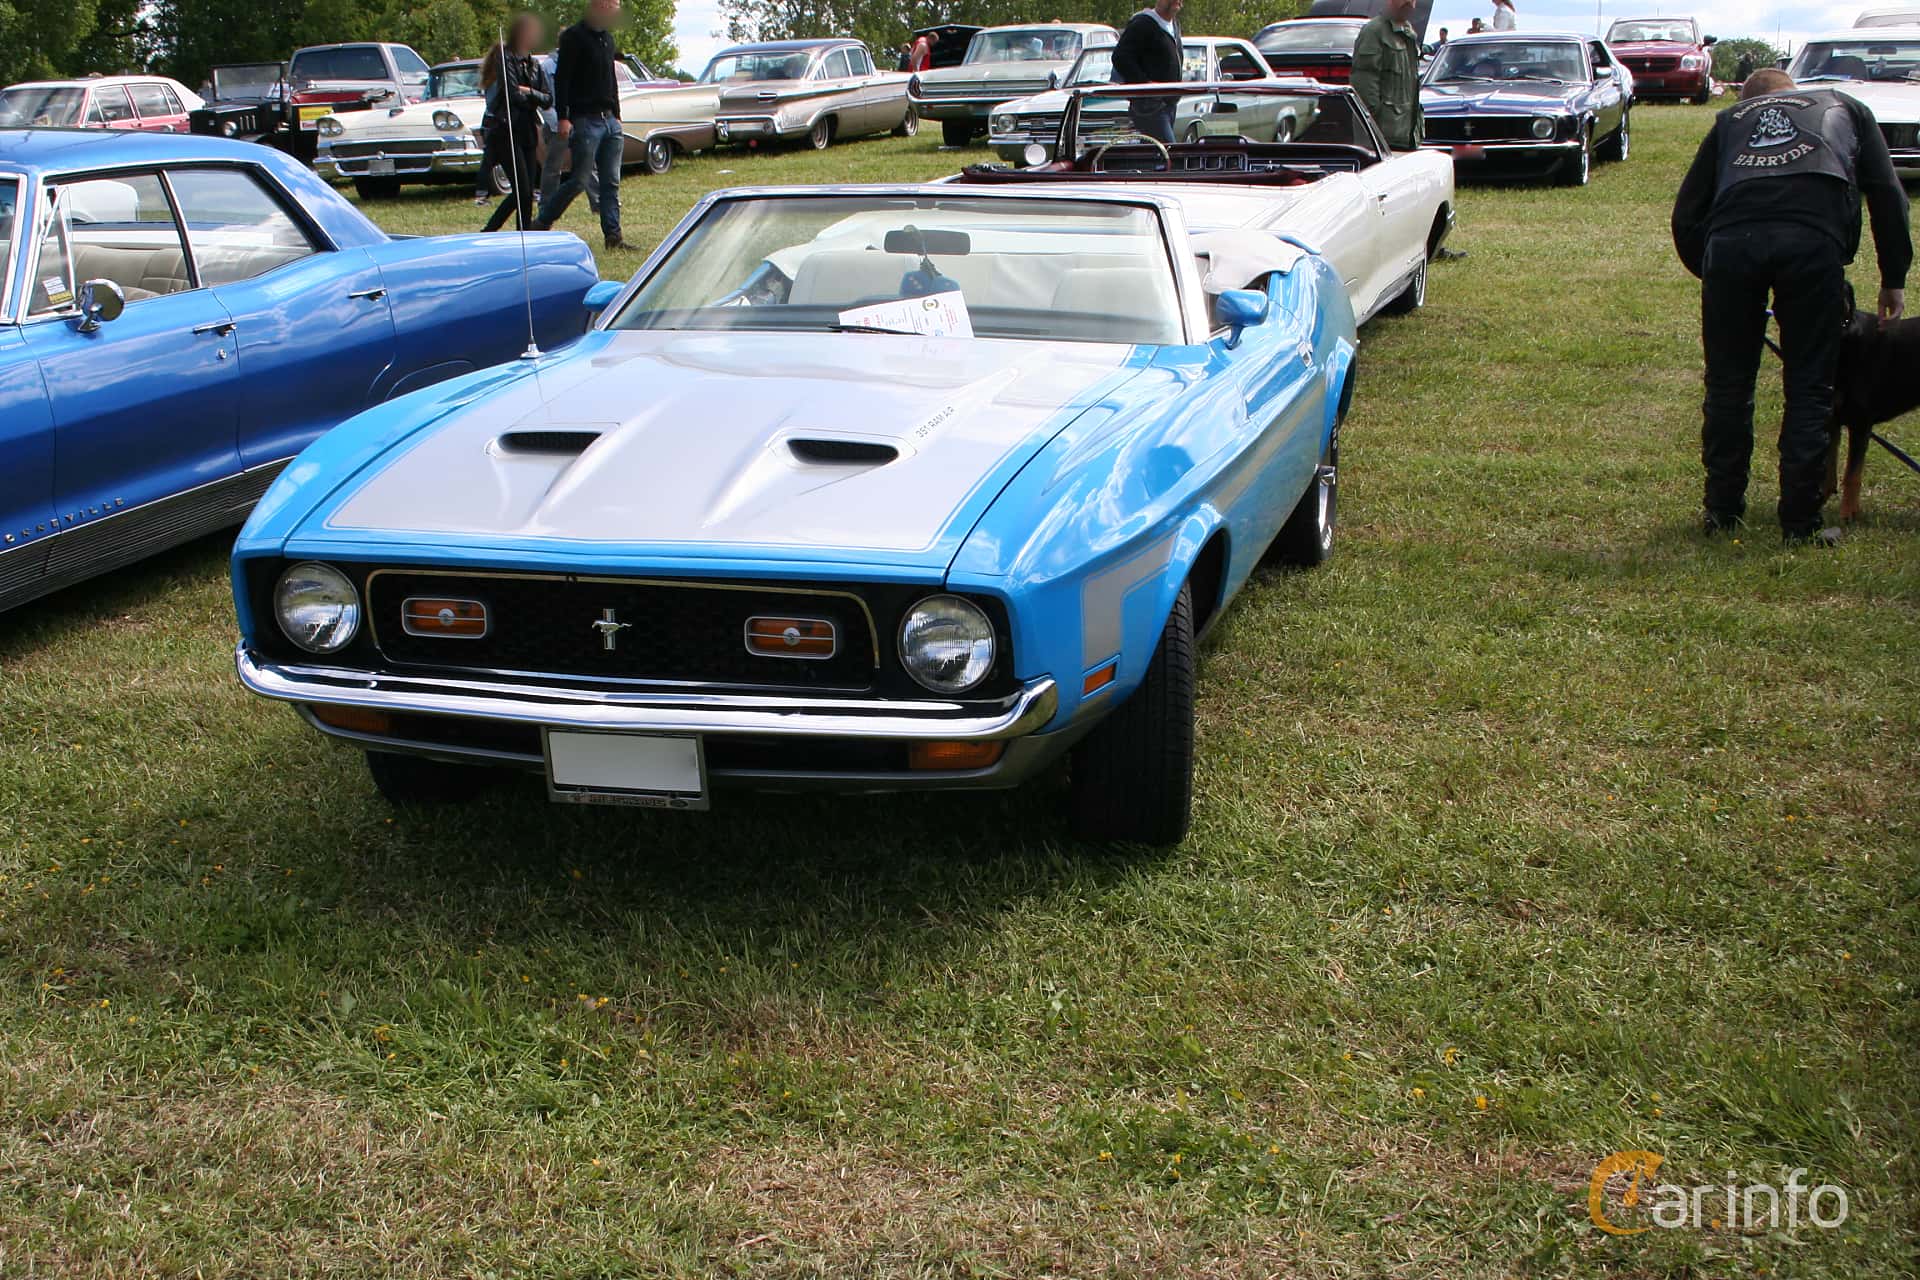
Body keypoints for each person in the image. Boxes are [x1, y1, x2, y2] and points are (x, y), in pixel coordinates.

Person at [1671, 68, 1911, 542]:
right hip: (1812, 244)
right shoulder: (1845, 106)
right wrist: (1893, 278)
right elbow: (1887, 193)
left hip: (1732, 245)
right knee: (1810, 385)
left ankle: (1722, 512)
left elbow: (1686, 214)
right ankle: (1799, 523)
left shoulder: (1729, 120)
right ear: (1793, 93)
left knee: (1727, 385)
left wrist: (1714, 274)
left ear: (1750, 98)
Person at [532, 0, 626, 250]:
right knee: (579, 180)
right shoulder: (574, 37)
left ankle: (613, 237)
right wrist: (564, 116)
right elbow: (563, 80)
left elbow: (610, 80)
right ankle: (541, 223)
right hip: (586, 120)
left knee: (610, 183)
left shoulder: (607, 39)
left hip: (609, 122)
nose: (617, 8)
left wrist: (616, 114)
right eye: (615, 3)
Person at [480, 14, 551, 233]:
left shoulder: (535, 65)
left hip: (527, 130)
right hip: (506, 130)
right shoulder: (505, 57)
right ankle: (492, 231)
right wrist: (532, 97)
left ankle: (521, 232)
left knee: (527, 191)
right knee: (522, 188)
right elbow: (512, 94)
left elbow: (548, 99)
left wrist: (529, 92)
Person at [1351, 0, 1422, 151]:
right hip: (1382, 140)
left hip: (1406, 138)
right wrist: (1374, 129)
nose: (1409, 2)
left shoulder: (1408, 32)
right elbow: (1364, 87)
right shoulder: (1374, 32)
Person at [1112, 0, 1183, 144]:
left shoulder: (1174, 25)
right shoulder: (1143, 23)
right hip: (1150, 106)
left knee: (1153, 155)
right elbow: (1120, 57)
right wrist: (1145, 84)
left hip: (1169, 104)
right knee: (1168, 152)